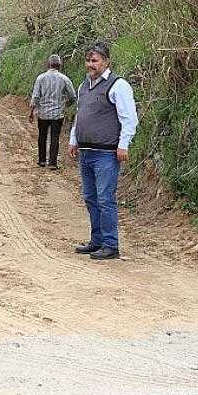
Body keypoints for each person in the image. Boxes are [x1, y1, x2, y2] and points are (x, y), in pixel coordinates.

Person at [68, 44, 138, 260]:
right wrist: (73, 139)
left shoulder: (118, 86)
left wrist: (123, 144)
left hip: (106, 154)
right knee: (90, 197)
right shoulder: (84, 86)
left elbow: (129, 118)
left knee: (105, 199)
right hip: (86, 152)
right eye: (89, 60)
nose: (91, 64)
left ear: (106, 61)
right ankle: (96, 241)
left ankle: (110, 244)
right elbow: (80, 116)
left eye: (95, 60)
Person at [29, 54, 76, 169]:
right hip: (57, 114)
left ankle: (41, 161)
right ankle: (53, 163)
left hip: (43, 114)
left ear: (48, 64)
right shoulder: (64, 79)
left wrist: (31, 112)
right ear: (59, 65)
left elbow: (35, 96)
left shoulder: (41, 78)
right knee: (55, 137)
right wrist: (65, 104)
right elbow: (73, 96)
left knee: (42, 137)